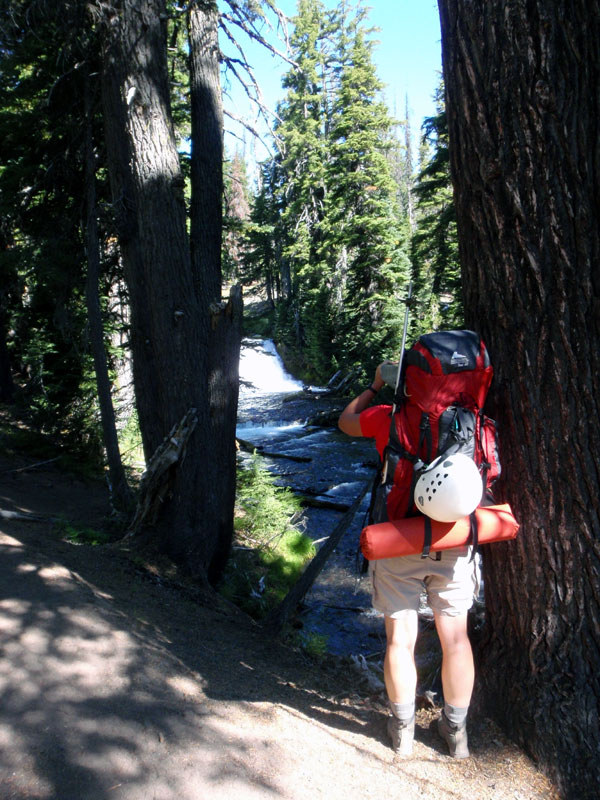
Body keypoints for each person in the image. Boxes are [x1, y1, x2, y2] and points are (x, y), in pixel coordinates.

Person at [338, 362, 479, 759]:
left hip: (399, 538)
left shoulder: (389, 417)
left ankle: (402, 733)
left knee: (401, 639)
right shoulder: (471, 421)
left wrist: (374, 385)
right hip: (454, 538)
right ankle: (456, 733)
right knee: (456, 639)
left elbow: (345, 422)